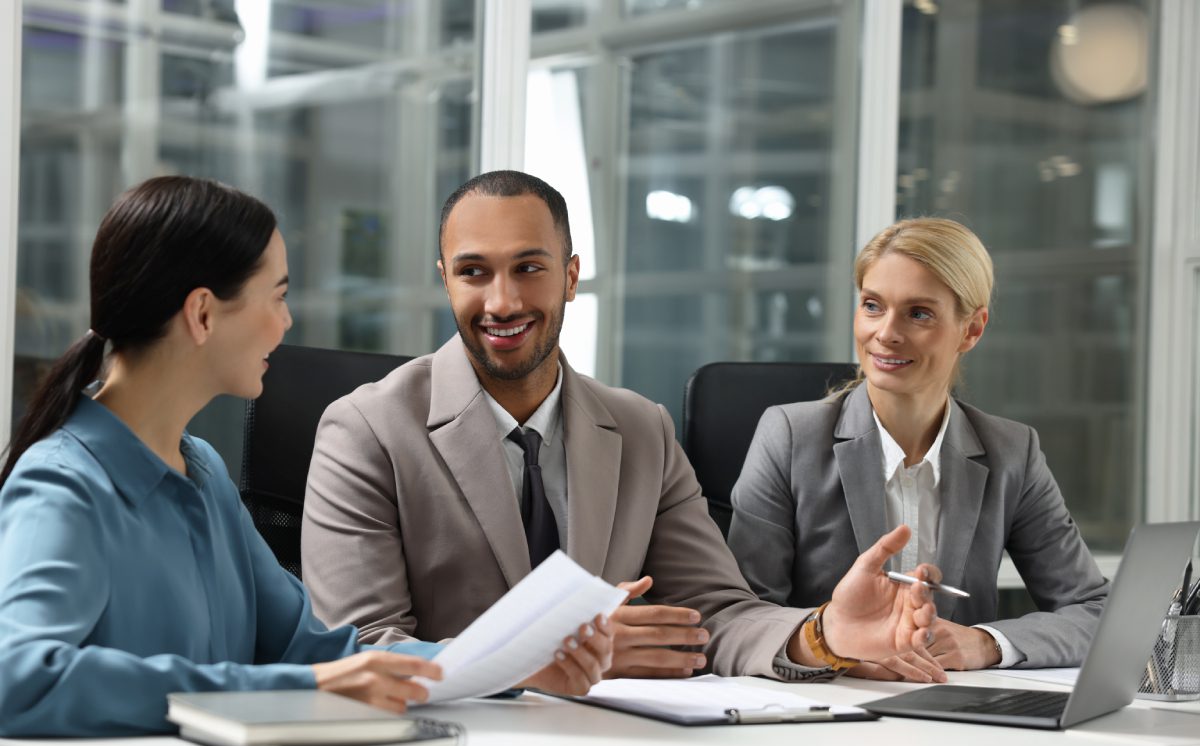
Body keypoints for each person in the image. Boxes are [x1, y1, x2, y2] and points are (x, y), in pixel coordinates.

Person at [0, 176, 611, 738]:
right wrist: (295, 687)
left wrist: (515, 663)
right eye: (277, 296)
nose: (286, 323)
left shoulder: (203, 473)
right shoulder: (63, 484)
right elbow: (17, 678)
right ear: (204, 313)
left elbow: (318, 653)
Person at [301, 170, 941, 683]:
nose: (502, 302)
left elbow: (715, 612)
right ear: (445, 280)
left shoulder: (641, 429)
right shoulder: (365, 430)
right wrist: (554, 654)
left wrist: (823, 635)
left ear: (571, 276)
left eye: (529, 268)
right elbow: (361, 650)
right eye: (474, 272)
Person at [727, 217, 1109, 682]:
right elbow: (740, 617)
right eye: (872, 306)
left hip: (955, 708)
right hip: (826, 707)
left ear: (971, 330)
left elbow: (1095, 610)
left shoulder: (1012, 451)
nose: (886, 333)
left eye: (918, 313)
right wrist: (833, 646)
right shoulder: (789, 436)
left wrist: (985, 644)